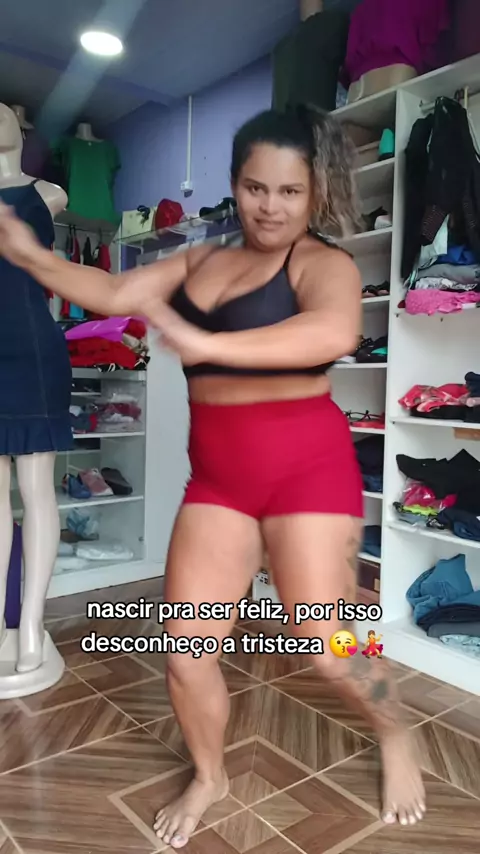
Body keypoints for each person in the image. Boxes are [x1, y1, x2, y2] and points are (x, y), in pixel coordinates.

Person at [0, 104, 425, 847]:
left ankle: (396, 730)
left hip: (309, 477)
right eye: (257, 188)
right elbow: (115, 294)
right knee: (186, 651)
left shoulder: (322, 264)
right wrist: (30, 255)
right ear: (235, 184)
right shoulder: (201, 261)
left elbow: (330, 331)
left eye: (289, 191)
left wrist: (205, 341)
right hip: (220, 486)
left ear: (315, 192)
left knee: (327, 645)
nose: (271, 206)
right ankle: (210, 774)